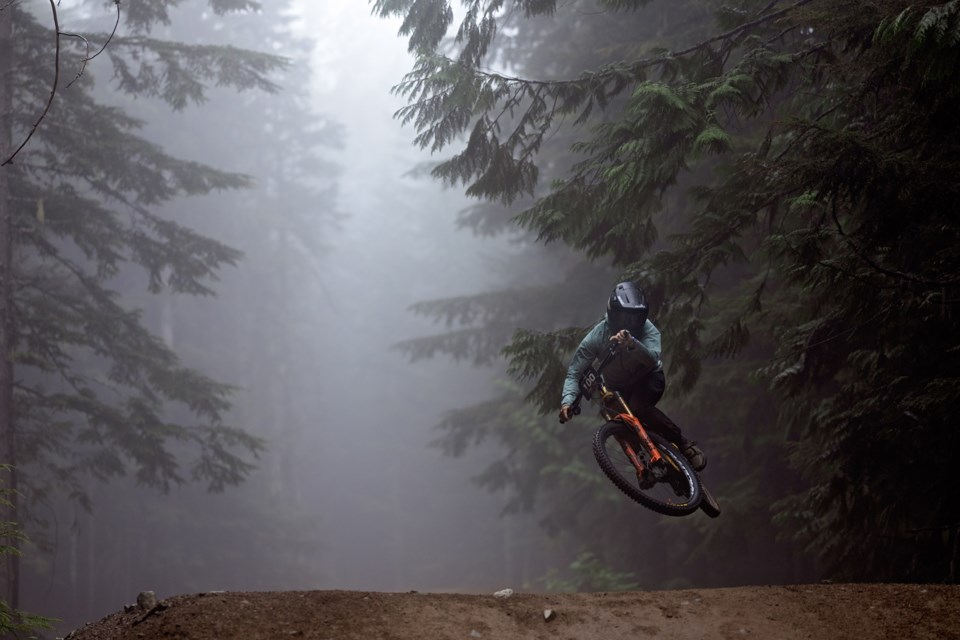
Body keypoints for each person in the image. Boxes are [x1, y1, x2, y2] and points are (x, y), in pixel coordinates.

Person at [558, 281, 707, 471]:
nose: (629, 323)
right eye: (623, 317)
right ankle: (645, 466)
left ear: (642, 317)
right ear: (612, 313)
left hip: (649, 378)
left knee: (639, 408)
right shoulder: (597, 336)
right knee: (618, 422)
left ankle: (684, 445)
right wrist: (567, 401)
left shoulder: (647, 329)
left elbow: (652, 359)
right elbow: (575, 373)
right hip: (618, 387)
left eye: (634, 318)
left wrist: (631, 344)